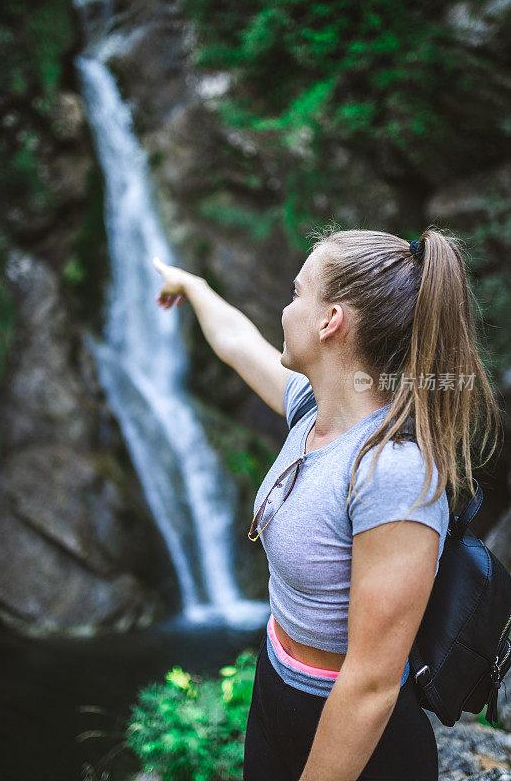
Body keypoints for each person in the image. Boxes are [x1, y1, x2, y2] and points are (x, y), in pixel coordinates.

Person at [152, 225, 501, 781]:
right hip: (275, 692)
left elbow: (371, 683)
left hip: (358, 734)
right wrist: (192, 286)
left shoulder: (393, 471)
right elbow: (238, 343)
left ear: (329, 320)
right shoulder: (312, 412)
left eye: (297, 294)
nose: (286, 311)